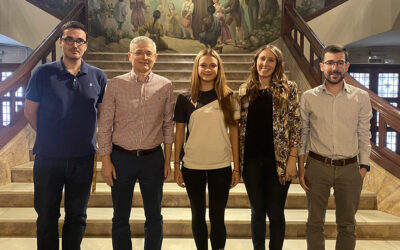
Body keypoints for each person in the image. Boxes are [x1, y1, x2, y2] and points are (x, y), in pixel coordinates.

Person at [24, 21, 107, 250]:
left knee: (77, 216)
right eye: (69, 39)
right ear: (61, 42)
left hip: (83, 159)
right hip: (48, 158)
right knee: (47, 216)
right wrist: (51, 135)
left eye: (80, 40)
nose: (74, 44)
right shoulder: (42, 73)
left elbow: (103, 115)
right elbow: (30, 112)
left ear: (86, 46)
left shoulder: (98, 76)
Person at [97, 36, 174, 250]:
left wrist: (168, 161)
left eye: (149, 53)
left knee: (154, 216)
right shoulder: (114, 84)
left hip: (153, 159)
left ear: (155, 57)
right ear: (129, 56)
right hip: (121, 158)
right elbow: (104, 126)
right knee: (120, 216)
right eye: (139, 52)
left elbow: (168, 125)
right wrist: (105, 160)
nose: (144, 57)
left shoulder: (165, 86)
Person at [298, 45, 372, 250]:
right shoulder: (308, 97)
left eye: (340, 62)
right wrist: (302, 166)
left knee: (347, 225)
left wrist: (363, 166)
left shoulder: (360, 97)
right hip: (317, 165)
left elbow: (364, 134)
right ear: (322, 66)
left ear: (346, 66)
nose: (335, 68)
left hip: (349, 168)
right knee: (314, 223)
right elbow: (303, 133)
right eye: (330, 62)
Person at [174, 48, 241, 250]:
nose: (208, 69)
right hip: (192, 165)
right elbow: (179, 134)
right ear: (197, 67)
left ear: (219, 68)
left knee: (217, 215)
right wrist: (176, 165)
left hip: (220, 165)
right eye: (203, 65)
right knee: (198, 214)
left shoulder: (229, 97)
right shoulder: (184, 99)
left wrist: (236, 167)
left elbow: (234, 134)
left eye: (213, 65)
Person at [238, 44, 301, 250]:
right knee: (257, 211)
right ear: (255, 62)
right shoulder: (245, 90)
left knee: (275, 211)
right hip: (251, 161)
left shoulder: (289, 88)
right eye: (262, 59)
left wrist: (293, 158)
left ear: (277, 64)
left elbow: (295, 124)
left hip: (280, 161)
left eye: (271, 60)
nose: (265, 63)